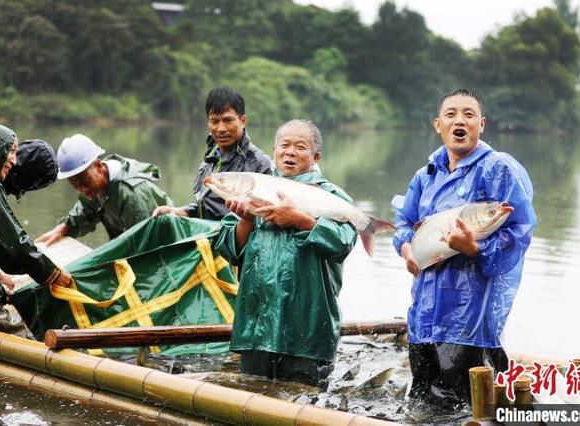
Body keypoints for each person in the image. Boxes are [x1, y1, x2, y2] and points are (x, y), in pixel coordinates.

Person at [392, 89, 537, 404]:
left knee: (466, 408)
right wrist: (405, 247)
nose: (460, 120)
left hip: (469, 319)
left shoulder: (496, 168)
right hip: (423, 316)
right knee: (422, 402)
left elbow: (521, 230)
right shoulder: (426, 173)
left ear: (482, 124)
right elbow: (404, 221)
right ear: (437, 125)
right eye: (451, 114)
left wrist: (475, 248)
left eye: (469, 115)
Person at [215, 119, 357, 389]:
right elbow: (227, 250)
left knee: (305, 407)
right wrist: (245, 219)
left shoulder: (332, 196)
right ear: (274, 150)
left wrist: (300, 220)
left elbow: (343, 244)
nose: (290, 152)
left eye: (300, 147)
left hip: (308, 328)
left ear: (315, 157)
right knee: (250, 403)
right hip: (256, 325)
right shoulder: (253, 187)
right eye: (284, 145)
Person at [0, 121, 72, 336]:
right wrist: (53, 274)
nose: (14, 160)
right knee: (22, 341)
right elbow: (15, 247)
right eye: (10, 151)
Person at [153, 86, 272, 220]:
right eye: (214, 121)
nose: (221, 129)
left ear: (243, 121)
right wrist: (179, 211)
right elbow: (204, 207)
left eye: (228, 120)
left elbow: (266, 217)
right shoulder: (209, 160)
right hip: (207, 238)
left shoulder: (260, 163)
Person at [36, 134, 173, 245]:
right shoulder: (97, 186)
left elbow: (148, 245)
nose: (82, 190)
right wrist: (64, 228)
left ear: (99, 166)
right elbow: (85, 213)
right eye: (75, 185)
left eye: (84, 182)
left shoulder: (131, 193)